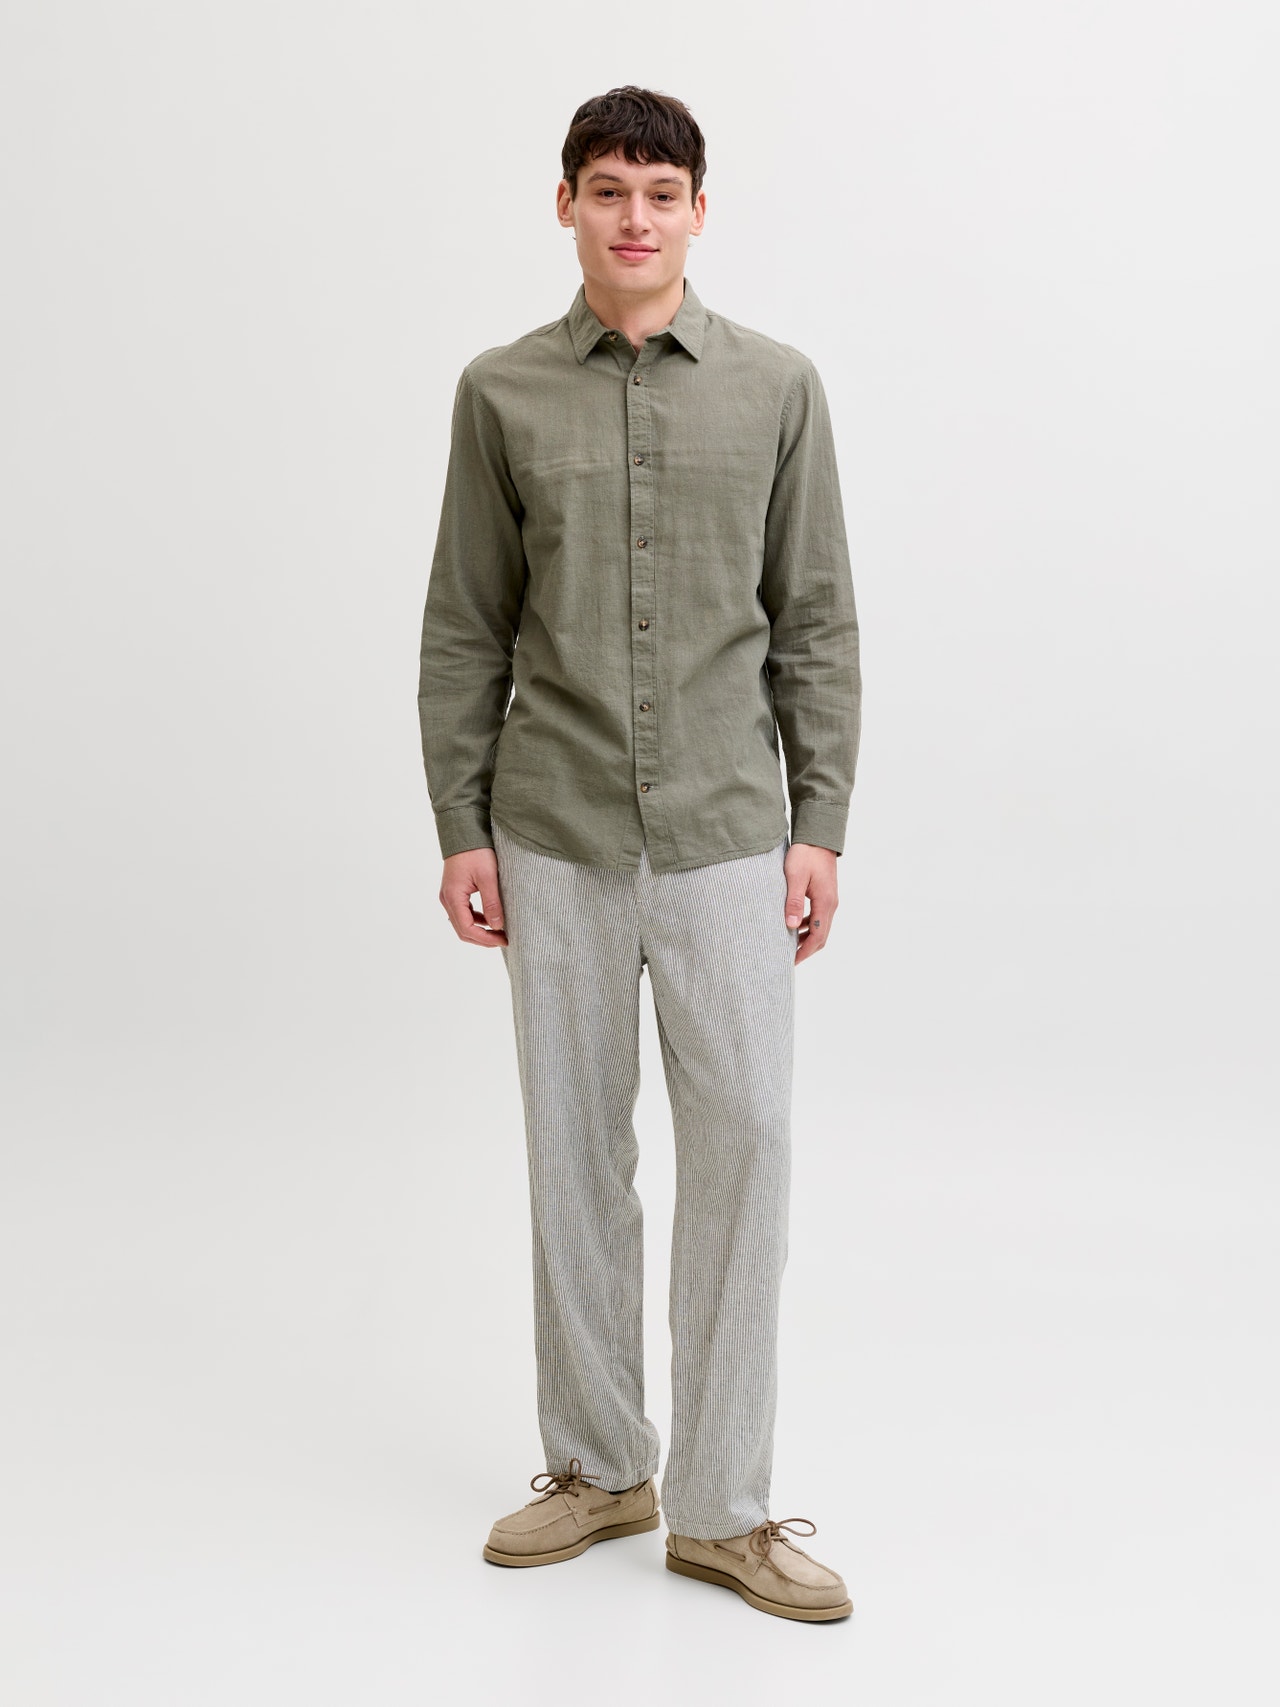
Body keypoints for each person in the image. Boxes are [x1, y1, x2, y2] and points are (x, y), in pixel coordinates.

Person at [417, 85, 861, 1624]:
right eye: (607, 189)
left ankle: (724, 1508)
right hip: (554, 829)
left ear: (698, 212)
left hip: (732, 833)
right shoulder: (500, 394)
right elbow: (466, 625)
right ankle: (601, 1466)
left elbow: (816, 620)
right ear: (566, 205)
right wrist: (461, 823)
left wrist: (820, 825)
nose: (634, 217)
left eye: (661, 193)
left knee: (747, 1143)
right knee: (575, 1156)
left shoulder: (779, 388)